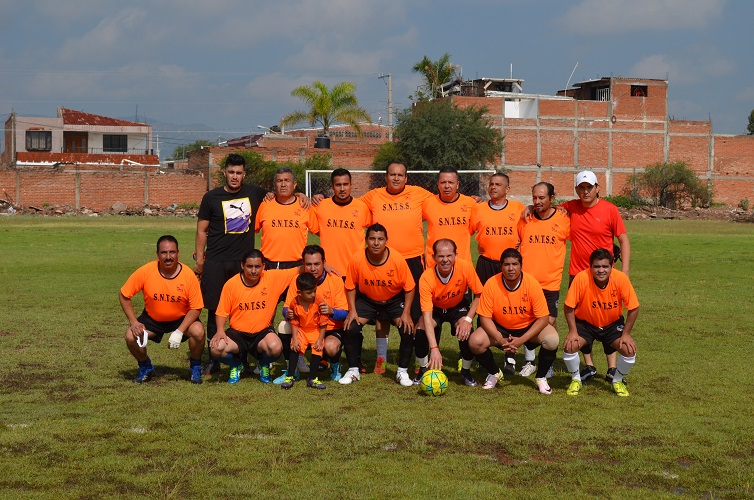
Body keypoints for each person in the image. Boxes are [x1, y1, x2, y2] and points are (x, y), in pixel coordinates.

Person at [194, 154, 307, 376]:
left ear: (244, 174)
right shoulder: (211, 197)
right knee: (215, 309)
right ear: (224, 173)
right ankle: (213, 360)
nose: (234, 176)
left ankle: (248, 357)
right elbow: (201, 230)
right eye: (231, 172)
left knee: (249, 308)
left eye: (239, 173)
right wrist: (200, 259)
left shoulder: (255, 193)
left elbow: (282, 193)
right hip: (216, 260)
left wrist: (302, 195)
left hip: (244, 263)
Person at [358, 162, 433, 373]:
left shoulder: (419, 194)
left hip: (412, 260)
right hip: (383, 260)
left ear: (406, 178)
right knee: (383, 311)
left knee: (416, 313)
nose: (396, 178)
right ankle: (381, 358)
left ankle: (419, 359)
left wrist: (472, 201)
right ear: (386, 177)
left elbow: (443, 203)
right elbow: (350, 207)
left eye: (400, 175)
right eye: (392, 174)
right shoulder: (374, 196)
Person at [563, 170, 631, 383]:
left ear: (597, 188)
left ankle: (612, 368)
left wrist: (624, 271)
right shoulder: (570, 207)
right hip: (579, 275)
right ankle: (589, 365)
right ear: (576, 189)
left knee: (608, 316)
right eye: (581, 188)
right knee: (582, 320)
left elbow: (623, 239)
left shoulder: (609, 209)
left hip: (605, 274)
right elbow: (547, 208)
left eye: (589, 187)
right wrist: (529, 207)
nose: (585, 191)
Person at [468, 248, 559, 394]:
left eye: (515, 264)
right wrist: (500, 339)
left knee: (552, 340)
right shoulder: (491, 283)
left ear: (521, 266)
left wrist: (521, 340)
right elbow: (484, 317)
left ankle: (541, 377)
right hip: (501, 327)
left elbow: (543, 318)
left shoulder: (532, 283)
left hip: (527, 327)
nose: (511, 268)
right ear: (501, 266)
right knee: (475, 341)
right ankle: (494, 373)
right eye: (507, 264)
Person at [120, 235, 205, 384]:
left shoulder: (188, 275)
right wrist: (133, 322)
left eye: (172, 252)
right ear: (157, 254)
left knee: (198, 331)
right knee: (130, 336)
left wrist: (179, 331)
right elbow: (124, 295)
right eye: (164, 253)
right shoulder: (146, 271)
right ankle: (145, 367)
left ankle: (195, 367)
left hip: (181, 319)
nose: (168, 257)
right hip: (153, 319)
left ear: (178, 253)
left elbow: (196, 307)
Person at [339, 223, 416, 386]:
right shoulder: (357, 258)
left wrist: (406, 312)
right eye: (372, 239)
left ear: (386, 240)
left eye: (380, 239)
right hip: (368, 300)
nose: (376, 243)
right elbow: (350, 286)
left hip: (393, 300)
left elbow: (409, 287)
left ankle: (402, 371)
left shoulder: (397, 259)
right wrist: (352, 310)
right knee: (350, 327)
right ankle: (353, 370)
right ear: (366, 240)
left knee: (407, 329)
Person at [209, 249, 301, 384]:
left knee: (276, 347)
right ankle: (236, 364)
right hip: (237, 334)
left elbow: (299, 269)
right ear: (242, 265)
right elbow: (221, 312)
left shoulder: (272, 278)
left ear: (263, 266)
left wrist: (325, 265)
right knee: (216, 348)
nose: (253, 271)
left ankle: (263, 364)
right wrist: (220, 330)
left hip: (262, 333)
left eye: (257, 266)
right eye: (249, 266)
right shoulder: (231, 284)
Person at [255, 166, 313, 375]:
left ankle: (298, 356)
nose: (283, 184)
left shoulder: (304, 206)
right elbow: (252, 229)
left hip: (295, 267)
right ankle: (265, 358)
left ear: (294, 184)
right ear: (274, 184)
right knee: (265, 314)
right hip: (270, 266)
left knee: (296, 314)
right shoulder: (266, 205)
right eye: (279, 181)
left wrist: (314, 197)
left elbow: (321, 228)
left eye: (287, 180)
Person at [562, 248, 639, 397]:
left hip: (612, 324)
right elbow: (568, 307)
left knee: (629, 350)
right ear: (590, 267)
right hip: (585, 324)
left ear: (612, 267)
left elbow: (634, 308)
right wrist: (572, 331)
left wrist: (626, 334)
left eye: (605, 266)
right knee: (570, 346)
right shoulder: (581, 278)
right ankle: (576, 379)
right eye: (597, 266)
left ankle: (617, 380)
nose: (601, 270)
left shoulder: (621, 278)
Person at [470, 171, 526, 375]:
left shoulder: (518, 208)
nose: (493, 187)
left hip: (508, 265)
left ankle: (510, 354)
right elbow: (465, 231)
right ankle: (481, 354)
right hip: (485, 263)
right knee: (482, 306)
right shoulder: (478, 209)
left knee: (509, 308)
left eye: (498, 184)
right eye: (491, 184)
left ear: (507, 189)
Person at [516, 182, 570, 377]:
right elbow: (516, 244)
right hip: (527, 282)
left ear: (552, 198)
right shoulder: (525, 219)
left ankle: (548, 364)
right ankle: (529, 362)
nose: (537, 201)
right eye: (534, 198)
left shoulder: (564, 219)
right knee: (526, 320)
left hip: (550, 283)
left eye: (541, 198)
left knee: (550, 322)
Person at [275, 245, 349, 384]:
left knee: (331, 346)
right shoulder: (297, 280)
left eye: (317, 264)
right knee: (283, 327)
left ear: (324, 263)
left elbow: (345, 313)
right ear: (303, 264)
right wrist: (288, 313)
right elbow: (285, 308)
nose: (313, 268)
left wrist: (332, 311)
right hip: (304, 328)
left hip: (328, 328)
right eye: (309, 264)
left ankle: (335, 365)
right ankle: (293, 370)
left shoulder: (335, 280)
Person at [415, 239, 484, 386]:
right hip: (436, 308)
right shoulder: (426, 278)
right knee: (420, 328)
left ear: (455, 255)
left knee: (466, 330)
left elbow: (479, 294)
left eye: (449, 256)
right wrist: (434, 348)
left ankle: (465, 372)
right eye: (441, 256)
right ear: (434, 257)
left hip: (457, 306)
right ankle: (423, 370)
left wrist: (468, 320)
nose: (445, 260)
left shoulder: (465, 267)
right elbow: (427, 316)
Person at [308, 168, 372, 279]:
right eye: (338, 185)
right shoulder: (320, 206)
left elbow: (374, 232)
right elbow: (300, 206)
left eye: (345, 184)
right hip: (329, 270)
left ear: (351, 185)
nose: (342, 189)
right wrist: (300, 194)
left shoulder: (362, 208)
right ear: (332, 187)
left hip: (355, 270)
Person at [280, 272, 329, 390]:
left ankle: (312, 379)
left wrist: (320, 339)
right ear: (299, 293)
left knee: (317, 350)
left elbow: (323, 322)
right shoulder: (294, 302)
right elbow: (294, 321)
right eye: (309, 292)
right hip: (301, 330)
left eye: (314, 291)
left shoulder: (319, 301)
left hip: (316, 330)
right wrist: (295, 338)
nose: (313, 295)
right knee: (295, 347)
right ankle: (290, 376)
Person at [422, 167, 476, 268]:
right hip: (434, 264)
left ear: (457, 184)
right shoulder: (428, 203)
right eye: (443, 182)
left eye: (451, 182)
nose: (447, 186)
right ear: (438, 184)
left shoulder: (470, 203)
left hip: (462, 263)